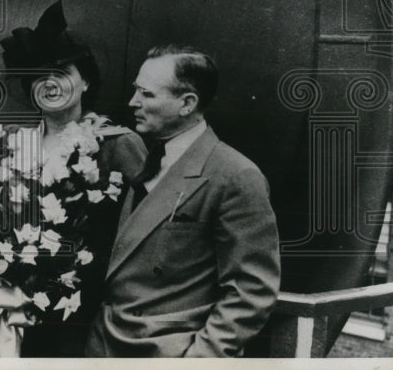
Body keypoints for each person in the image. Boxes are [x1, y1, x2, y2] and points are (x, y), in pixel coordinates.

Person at [86, 45, 281, 358]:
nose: (132, 102)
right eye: (136, 90)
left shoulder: (236, 175)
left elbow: (251, 290)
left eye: (147, 94)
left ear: (187, 103)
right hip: (104, 346)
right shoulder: (149, 160)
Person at [0, 0, 147, 357]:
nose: (50, 83)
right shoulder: (14, 144)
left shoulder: (117, 144)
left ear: (86, 81)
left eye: (62, 72)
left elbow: (142, 236)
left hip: (85, 310)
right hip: (11, 303)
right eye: (39, 74)